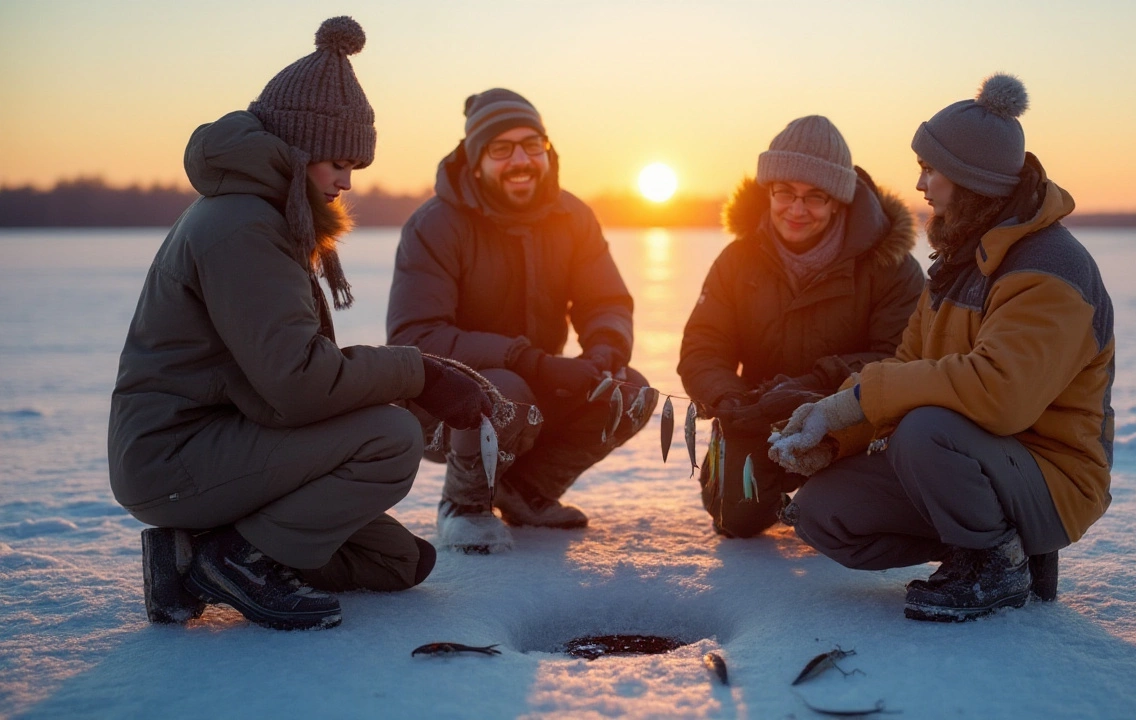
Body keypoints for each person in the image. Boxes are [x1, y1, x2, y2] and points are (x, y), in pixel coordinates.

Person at [108, 17, 493, 631]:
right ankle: (237, 561)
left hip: (217, 441)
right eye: (335, 161)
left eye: (354, 165)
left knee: (395, 562)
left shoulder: (258, 213)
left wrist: (409, 376)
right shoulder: (243, 227)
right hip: (175, 453)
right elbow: (296, 383)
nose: (346, 180)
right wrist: (415, 373)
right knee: (391, 439)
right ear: (294, 150)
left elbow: (285, 380)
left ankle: (187, 556)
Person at [769, 74, 1115, 622]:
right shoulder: (958, 261)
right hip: (966, 465)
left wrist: (860, 401)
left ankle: (997, 564)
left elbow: (1001, 394)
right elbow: (908, 366)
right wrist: (834, 433)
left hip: (1052, 476)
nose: (922, 185)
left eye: (931, 171)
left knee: (926, 428)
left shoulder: (1051, 268)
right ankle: (974, 548)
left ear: (971, 181)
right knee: (822, 514)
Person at [387, 89, 648, 554]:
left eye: (532, 145)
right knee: (506, 391)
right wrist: (529, 360)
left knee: (628, 394)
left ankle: (524, 491)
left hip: (533, 382)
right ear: (476, 158)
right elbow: (415, 336)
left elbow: (605, 300)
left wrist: (604, 351)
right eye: (501, 149)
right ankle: (463, 506)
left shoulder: (573, 216)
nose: (521, 160)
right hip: (442, 401)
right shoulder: (436, 225)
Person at [678, 116, 924, 538]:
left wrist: (817, 384)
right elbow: (703, 347)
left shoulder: (891, 267)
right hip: (757, 417)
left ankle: (832, 496)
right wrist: (729, 399)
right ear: (768, 192)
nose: (796, 209)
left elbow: (900, 360)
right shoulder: (736, 261)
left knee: (831, 520)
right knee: (734, 520)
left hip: (849, 427)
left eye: (815, 197)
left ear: (837, 202)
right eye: (785, 193)